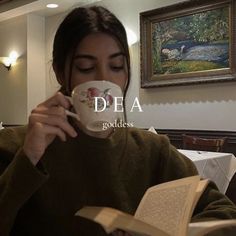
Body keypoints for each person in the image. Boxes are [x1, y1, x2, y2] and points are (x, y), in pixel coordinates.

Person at [0, 6, 236, 236]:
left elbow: (224, 212)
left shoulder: (154, 150)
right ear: (61, 73)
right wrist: (28, 157)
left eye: (116, 66)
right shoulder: (17, 145)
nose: (104, 79)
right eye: (86, 67)